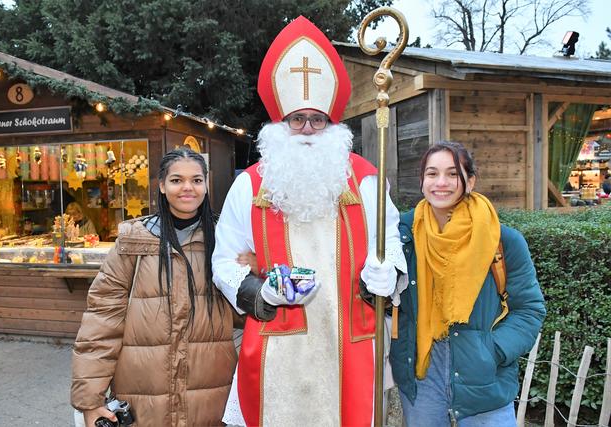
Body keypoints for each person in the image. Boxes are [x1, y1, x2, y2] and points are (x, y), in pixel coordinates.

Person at [212, 16, 408, 426]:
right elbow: (224, 262)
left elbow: (390, 241)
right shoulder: (250, 186)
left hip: (351, 341)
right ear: (280, 124)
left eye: (317, 119)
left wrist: (389, 273)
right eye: (296, 119)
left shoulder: (367, 179)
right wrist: (260, 293)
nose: (306, 129)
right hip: (280, 346)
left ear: (332, 124)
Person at [71, 148, 237, 426]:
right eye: (176, 180)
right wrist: (90, 401)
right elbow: (100, 322)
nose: (187, 188)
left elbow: (247, 313)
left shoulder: (227, 239)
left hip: (212, 393)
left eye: (196, 180)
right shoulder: (133, 242)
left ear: (206, 185)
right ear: (161, 185)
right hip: (143, 395)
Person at [389, 141, 546, 426]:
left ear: (470, 181)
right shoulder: (400, 237)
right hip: (422, 374)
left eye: (452, 174)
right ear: (422, 181)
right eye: (432, 173)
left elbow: (530, 309)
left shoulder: (502, 240)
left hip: (483, 378)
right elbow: (382, 300)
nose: (441, 183)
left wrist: (493, 351)